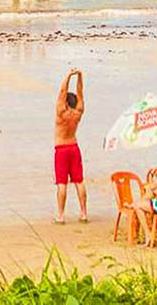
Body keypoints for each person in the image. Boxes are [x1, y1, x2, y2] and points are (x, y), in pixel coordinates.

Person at [53, 68, 87, 224]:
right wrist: (79, 76)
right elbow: (80, 92)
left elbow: (62, 90)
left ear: (66, 102)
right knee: (79, 181)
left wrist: (68, 76)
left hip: (62, 149)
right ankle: (84, 213)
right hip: (74, 147)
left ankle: (60, 215)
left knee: (62, 183)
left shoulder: (62, 112)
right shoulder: (78, 112)